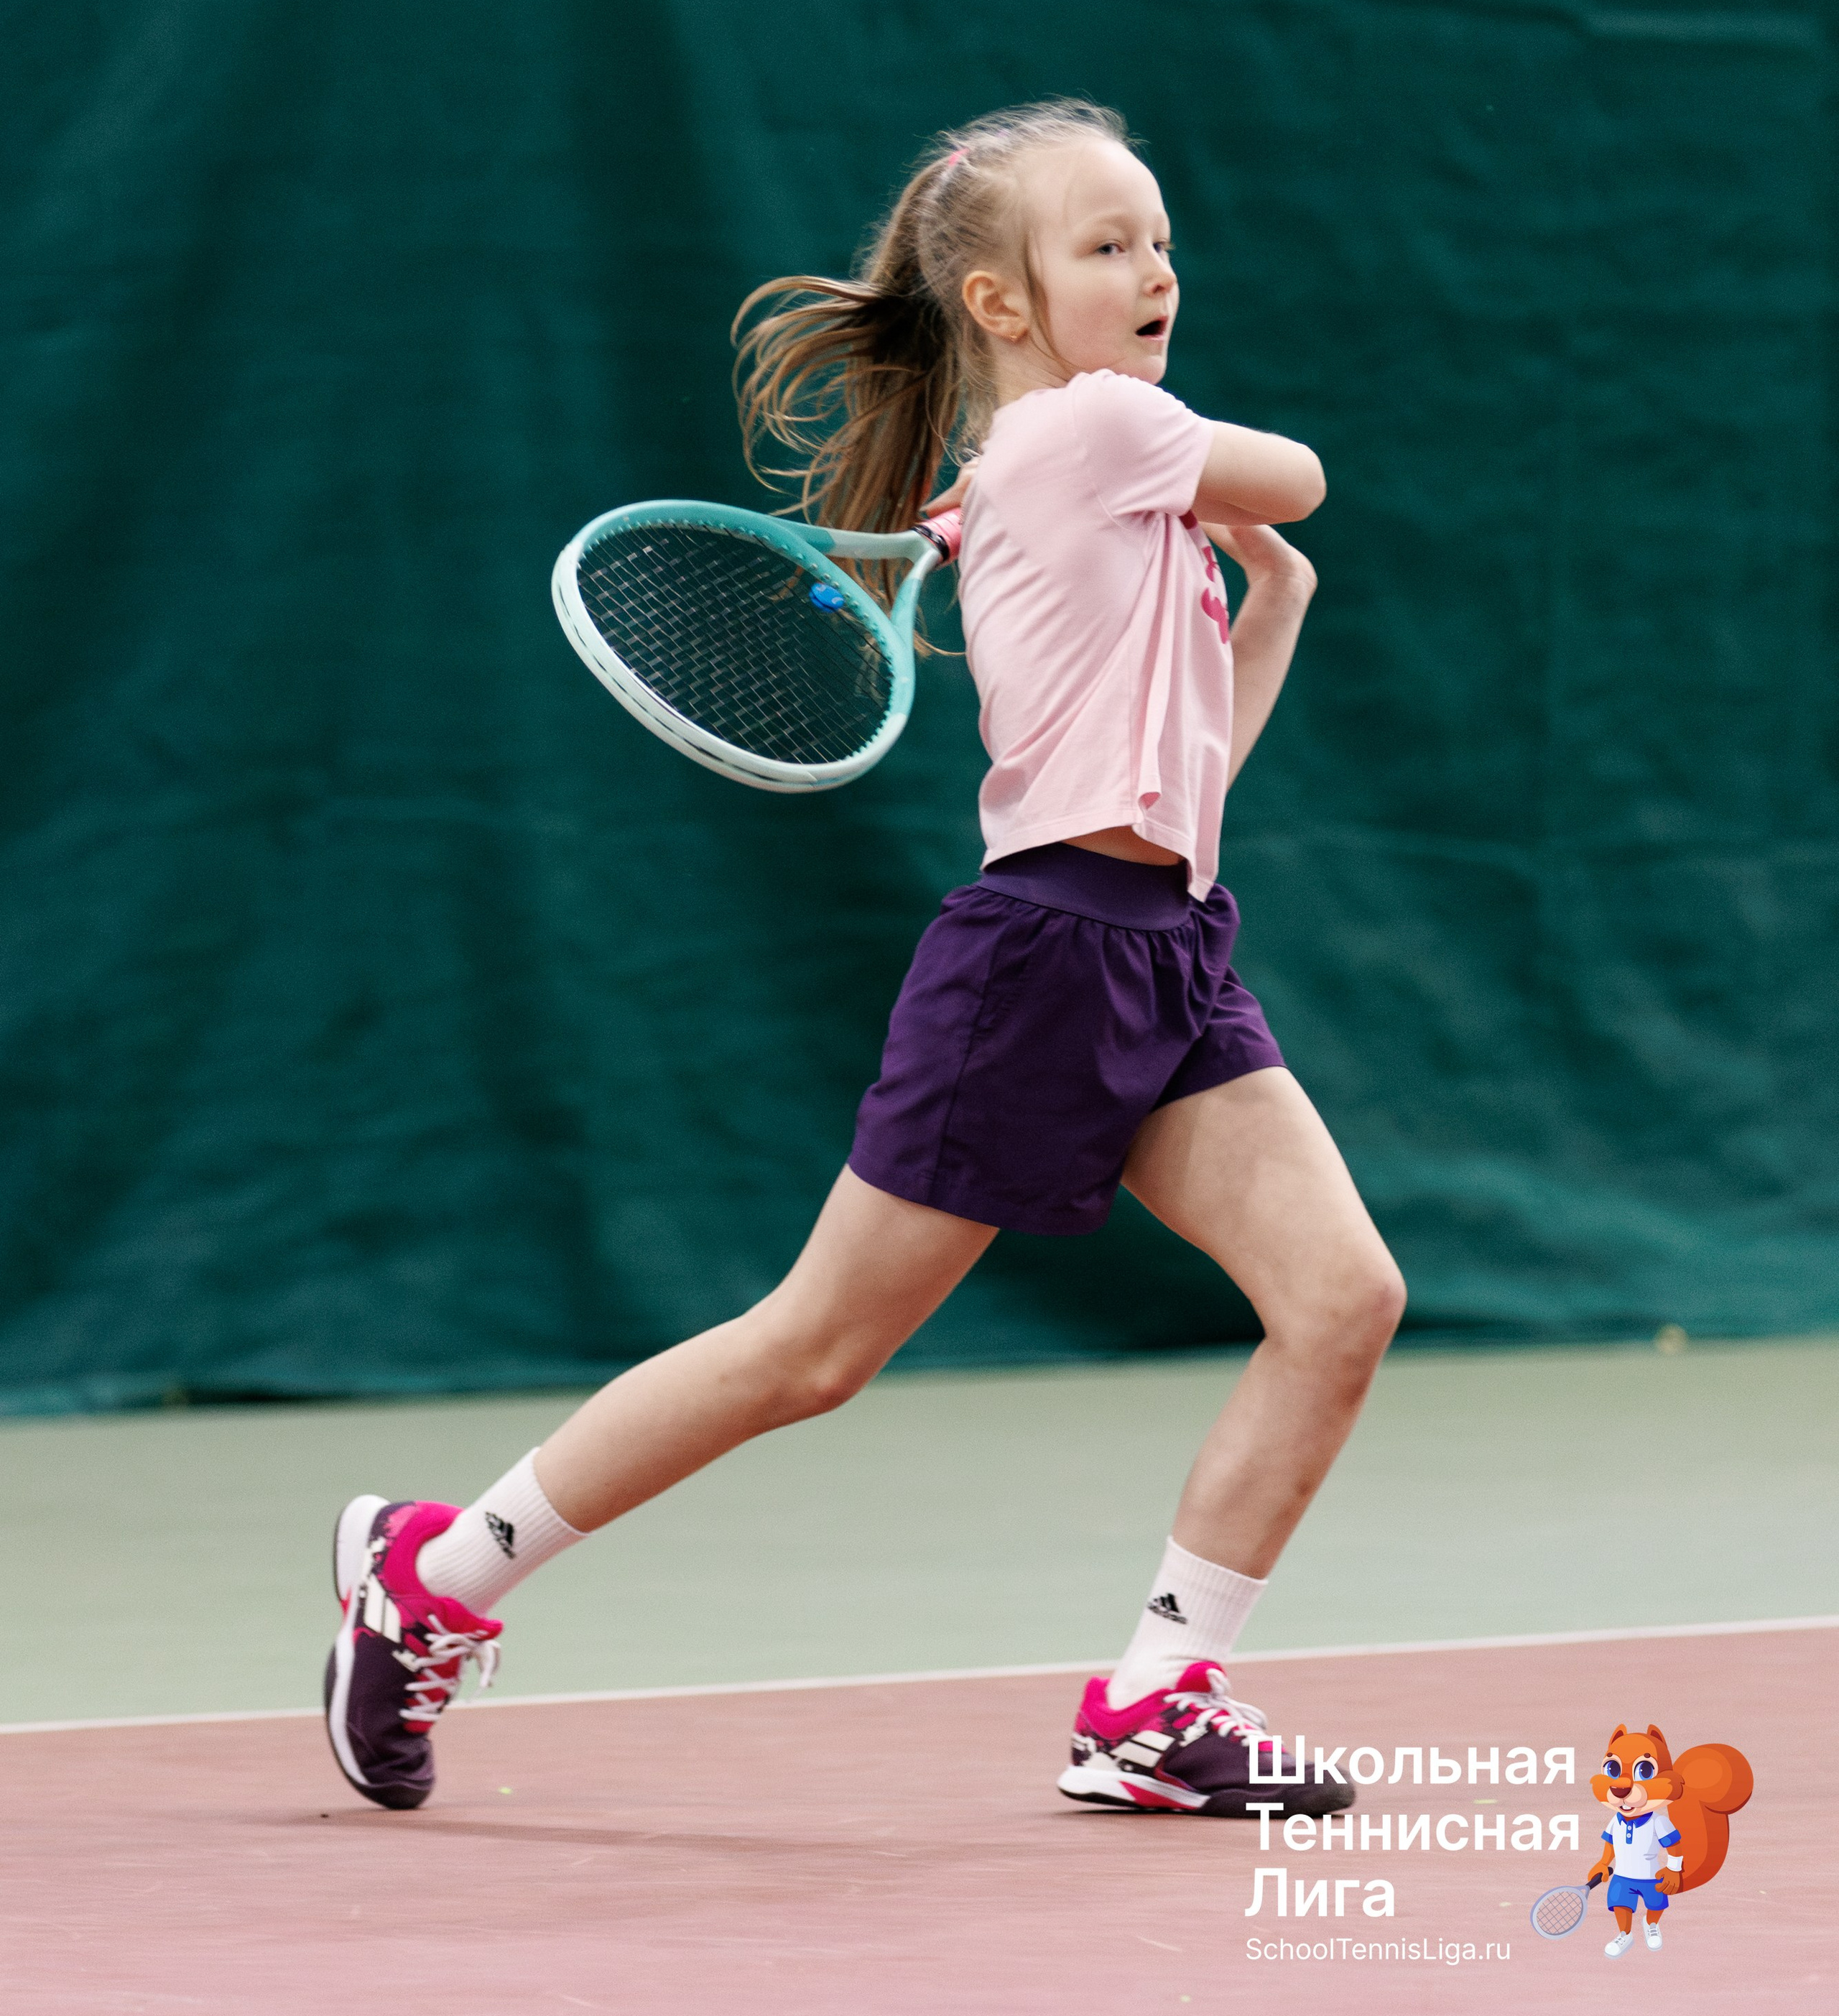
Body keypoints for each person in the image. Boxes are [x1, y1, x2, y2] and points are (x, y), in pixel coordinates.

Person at [323, 97, 1406, 1819]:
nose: (1154, 272)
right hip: (1041, 957)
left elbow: (1181, 784)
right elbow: (1304, 474)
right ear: (1000, 302)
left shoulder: (1073, 480)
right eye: (1107, 244)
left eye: (1162, 241)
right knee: (811, 1350)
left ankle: (1153, 1698)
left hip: (1167, 941)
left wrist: (1263, 613)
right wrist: (1238, 504)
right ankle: (437, 1570)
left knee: (1340, 1299)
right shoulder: (1094, 435)